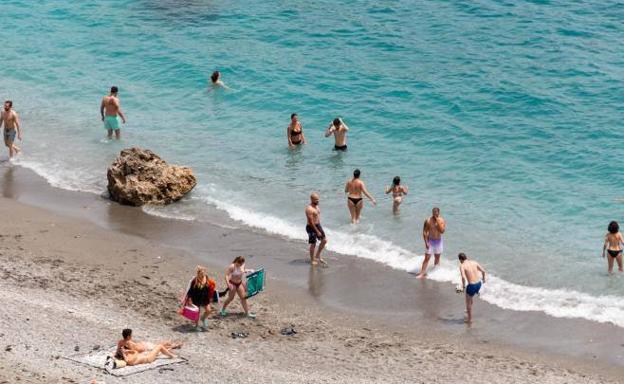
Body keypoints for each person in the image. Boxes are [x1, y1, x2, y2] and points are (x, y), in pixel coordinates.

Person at [416, 207, 446, 279]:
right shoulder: (428, 220)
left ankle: (435, 273)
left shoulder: (442, 220)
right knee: (427, 258)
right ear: (432, 212)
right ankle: (422, 273)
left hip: (438, 242)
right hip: (430, 241)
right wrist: (426, 242)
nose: (435, 214)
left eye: (436, 212)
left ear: (439, 212)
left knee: (437, 258)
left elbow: (442, 231)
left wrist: (437, 222)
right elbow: (424, 232)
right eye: (433, 212)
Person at [457, 253, 486, 323]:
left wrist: (463, 286)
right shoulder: (474, 262)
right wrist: (484, 279)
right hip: (479, 284)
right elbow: (483, 271)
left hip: (472, 286)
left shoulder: (462, 266)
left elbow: (463, 277)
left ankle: (469, 320)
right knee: (470, 297)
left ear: (460, 259)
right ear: (466, 257)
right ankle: (468, 310)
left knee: (468, 303)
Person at [305, 192, 328, 266]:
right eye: (316, 199)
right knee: (313, 244)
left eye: (318, 199)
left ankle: (317, 256)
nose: (317, 201)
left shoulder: (317, 206)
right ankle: (312, 260)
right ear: (311, 199)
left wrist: (319, 227)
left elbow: (317, 218)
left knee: (324, 240)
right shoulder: (309, 209)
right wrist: (317, 231)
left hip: (318, 225)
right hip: (311, 227)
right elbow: (311, 222)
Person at [116, 328, 182, 354]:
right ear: (128, 336)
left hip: (145, 345)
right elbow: (134, 352)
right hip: (146, 347)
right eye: (131, 335)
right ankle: (174, 345)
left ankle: (174, 345)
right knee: (160, 346)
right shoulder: (129, 342)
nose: (131, 336)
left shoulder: (120, 342)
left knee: (161, 345)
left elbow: (117, 350)